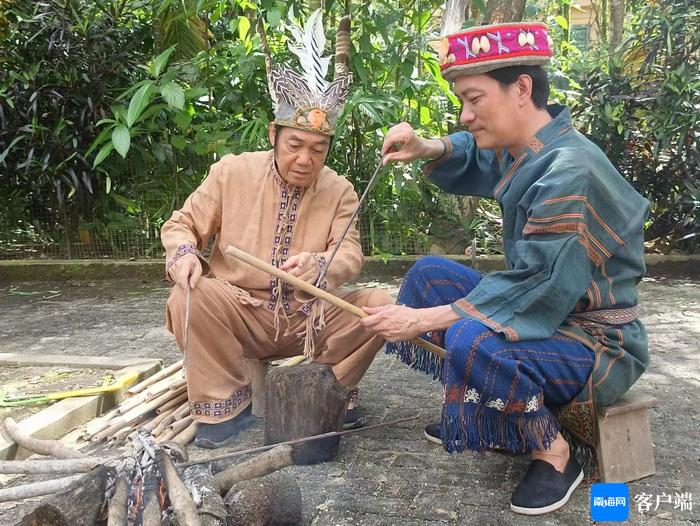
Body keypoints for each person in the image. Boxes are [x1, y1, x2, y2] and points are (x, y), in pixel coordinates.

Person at [360, 21, 650, 515]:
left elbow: (537, 286)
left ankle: (553, 451)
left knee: (471, 338)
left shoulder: (570, 170)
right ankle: (493, 412)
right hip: (549, 319)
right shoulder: (531, 146)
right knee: (429, 277)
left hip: (594, 343)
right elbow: (476, 152)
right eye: (462, 102)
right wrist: (426, 146)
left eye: (474, 99)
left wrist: (423, 320)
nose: (465, 115)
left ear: (521, 88)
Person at [161, 12, 391, 449]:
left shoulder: (340, 190)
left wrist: (322, 264)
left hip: (311, 316)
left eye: (318, 149)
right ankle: (224, 406)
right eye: (295, 145)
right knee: (191, 293)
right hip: (240, 310)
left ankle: (330, 388)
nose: (306, 159)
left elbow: (351, 257)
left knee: (380, 306)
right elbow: (182, 224)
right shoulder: (232, 172)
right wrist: (185, 254)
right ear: (274, 134)